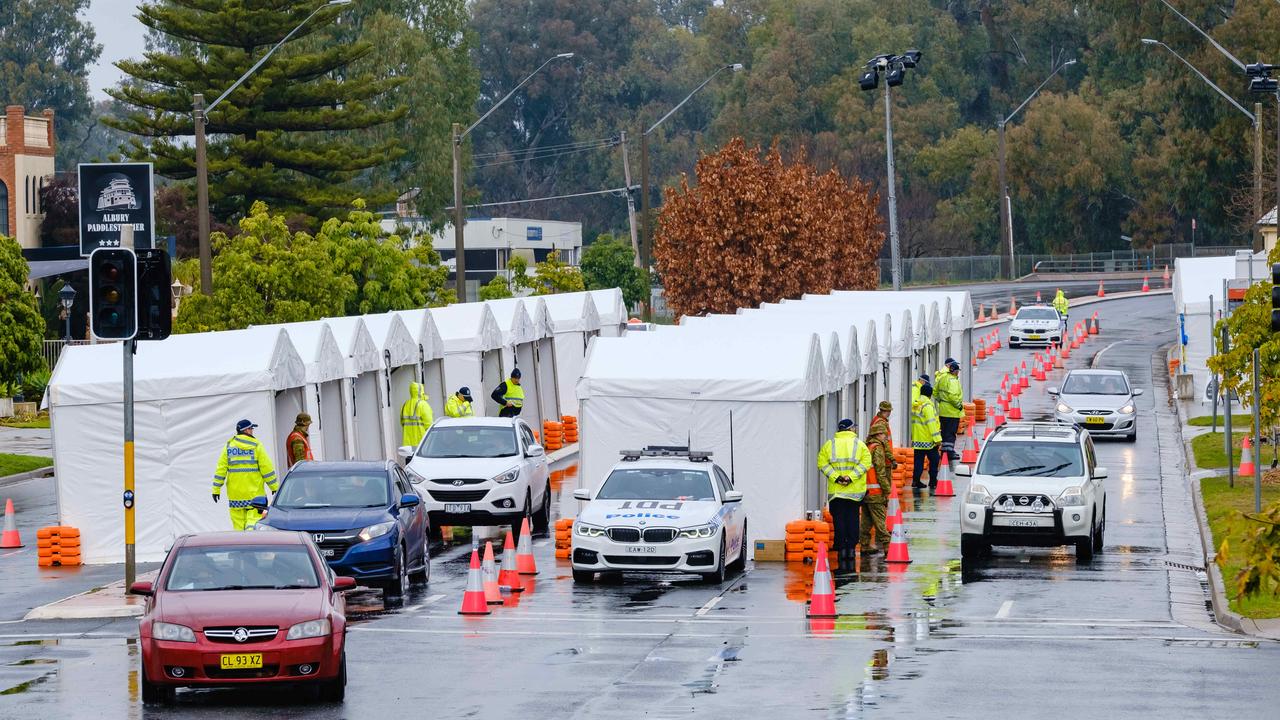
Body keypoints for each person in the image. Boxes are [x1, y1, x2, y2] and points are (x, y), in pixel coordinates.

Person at [817, 418, 872, 566]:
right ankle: (851, 550)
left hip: (836, 492)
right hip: (854, 491)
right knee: (853, 520)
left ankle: (841, 550)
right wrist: (851, 477)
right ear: (850, 429)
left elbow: (822, 463)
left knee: (839, 520)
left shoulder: (830, 445)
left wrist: (836, 478)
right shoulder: (859, 445)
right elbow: (866, 463)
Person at [212, 419, 278, 530]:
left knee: (238, 527)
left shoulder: (229, 447)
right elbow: (266, 469)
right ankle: (251, 542)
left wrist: (216, 489)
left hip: (235, 496)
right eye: (251, 428)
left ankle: (240, 544)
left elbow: (221, 470)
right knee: (253, 524)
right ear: (246, 430)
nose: (252, 431)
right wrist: (274, 487)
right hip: (255, 497)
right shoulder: (256, 446)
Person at [860, 401, 895, 555]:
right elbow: (880, 472)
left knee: (866, 521)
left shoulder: (868, 447)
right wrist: (887, 490)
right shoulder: (878, 449)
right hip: (875, 491)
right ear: (878, 434)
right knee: (880, 519)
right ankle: (888, 547)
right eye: (883, 434)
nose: (885, 437)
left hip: (865, 491)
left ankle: (865, 545)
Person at [911, 384, 942, 490]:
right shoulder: (927, 406)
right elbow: (931, 424)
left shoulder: (916, 404)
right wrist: (937, 440)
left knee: (918, 461)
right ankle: (933, 481)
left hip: (917, 439)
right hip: (928, 441)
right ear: (930, 395)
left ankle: (915, 481)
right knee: (935, 460)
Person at [934, 358, 964, 461]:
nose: (958, 373)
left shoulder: (942, 378)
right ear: (955, 371)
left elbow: (935, 393)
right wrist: (959, 405)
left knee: (944, 432)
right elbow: (952, 396)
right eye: (957, 371)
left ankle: (944, 452)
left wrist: (942, 401)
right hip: (952, 412)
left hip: (943, 410)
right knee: (951, 433)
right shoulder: (953, 381)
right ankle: (949, 453)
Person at [400, 382, 433, 448]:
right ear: (421, 391)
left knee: (410, 458)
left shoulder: (405, 405)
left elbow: (402, 423)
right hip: (421, 442)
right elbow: (429, 425)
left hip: (407, 444)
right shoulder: (423, 404)